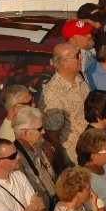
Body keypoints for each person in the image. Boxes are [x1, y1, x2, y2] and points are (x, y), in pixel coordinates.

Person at [39, 43, 89, 173]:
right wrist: (62, 169)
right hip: (74, 158)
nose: (81, 58)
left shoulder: (80, 78)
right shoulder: (52, 93)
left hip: (91, 149)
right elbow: (53, 137)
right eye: (77, 56)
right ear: (63, 63)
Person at [11, 107, 57, 211]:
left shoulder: (37, 148)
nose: (44, 131)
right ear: (26, 132)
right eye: (40, 129)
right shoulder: (16, 160)